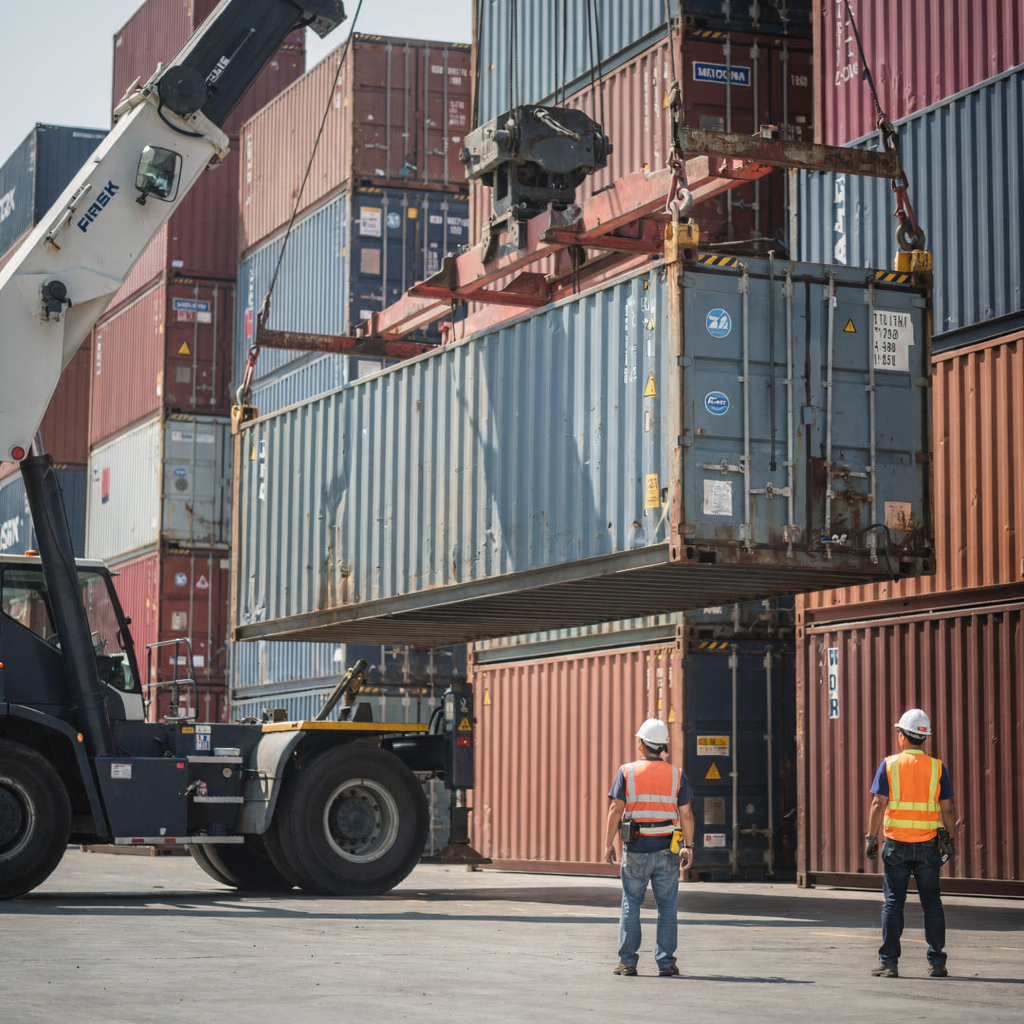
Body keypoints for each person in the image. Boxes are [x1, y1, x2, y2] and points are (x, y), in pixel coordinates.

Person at [865, 708, 956, 979]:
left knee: (893, 903)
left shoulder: (889, 765)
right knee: (932, 903)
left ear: (902, 736)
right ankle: (937, 963)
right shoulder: (937, 767)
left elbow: (878, 804)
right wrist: (949, 839)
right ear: (924, 737)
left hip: (896, 845)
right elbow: (948, 808)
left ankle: (889, 963)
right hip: (929, 845)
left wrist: (871, 837)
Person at [604, 718, 695, 977]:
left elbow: (616, 809)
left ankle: (627, 962)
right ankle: (666, 963)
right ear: (663, 746)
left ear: (642, 744)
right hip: (668, 850)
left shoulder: (627, 772)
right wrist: (688, 846)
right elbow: (686, 814)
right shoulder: (677, 774)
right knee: (667, 907)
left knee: (631, 903)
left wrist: (608, 843)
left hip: (635, 850)